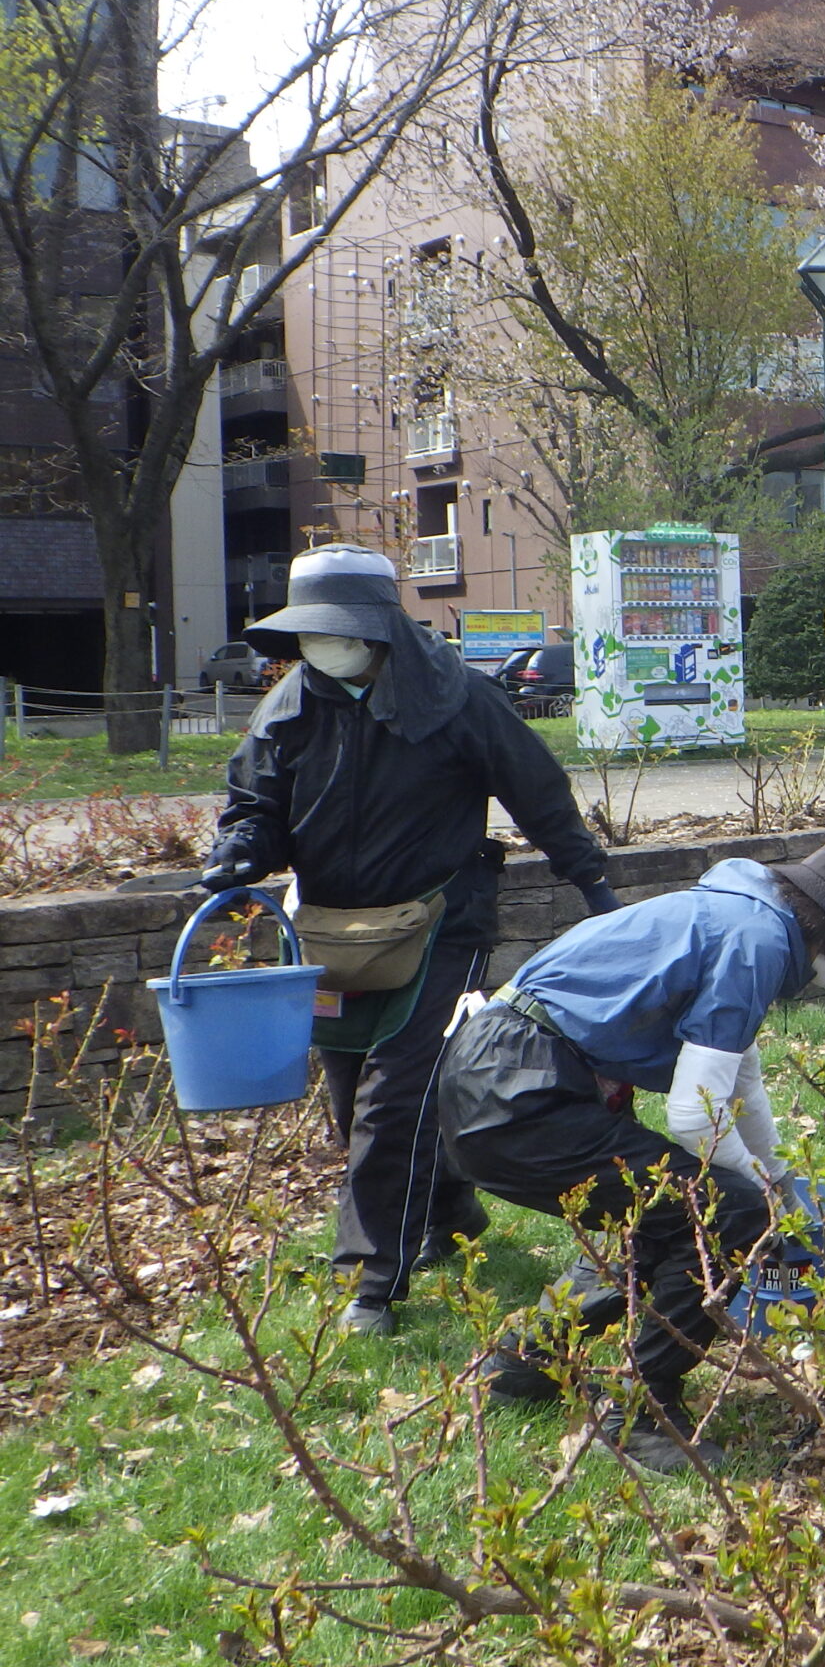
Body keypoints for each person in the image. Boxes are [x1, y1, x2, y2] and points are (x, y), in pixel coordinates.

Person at [201, 545, 616, 1338]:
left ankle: (370, 1284)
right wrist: (238, 856)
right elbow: (252, 805)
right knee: (350, 1095)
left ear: (378, 630)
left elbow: (538, 792)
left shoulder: (455, 697)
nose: (326, 648)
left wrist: (591, 884)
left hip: (439, 920)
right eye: (312, 635)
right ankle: (447, 1210)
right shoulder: (289, 707)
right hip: (332, 929)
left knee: (393, 1101)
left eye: (340, 633)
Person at [439, 838, 825, 1474]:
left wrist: (774, 1175)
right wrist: (758, 1196)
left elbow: (738, 1076)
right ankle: (640, 1413)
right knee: (724, 1212)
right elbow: (693, 1112)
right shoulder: (759, 941)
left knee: (659, 1212)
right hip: (522, 1090)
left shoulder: (742, 914)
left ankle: (523, 1367)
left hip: (497, 1072)